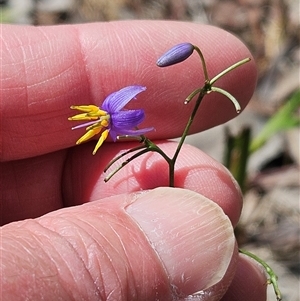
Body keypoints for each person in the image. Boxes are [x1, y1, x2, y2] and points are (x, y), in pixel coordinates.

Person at [0, 21, 266, 300]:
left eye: (101, 120)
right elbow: (136, 124)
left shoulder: (114, 114)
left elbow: (136, 120)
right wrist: (135, 132)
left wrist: (135, 131)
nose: (98, 121)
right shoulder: (113, 117)